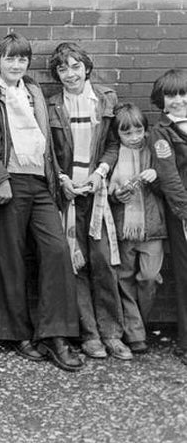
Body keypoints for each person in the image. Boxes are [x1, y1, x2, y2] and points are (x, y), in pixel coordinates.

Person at [0, 32, 84, 372]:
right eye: (9, 58)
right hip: (8, 184)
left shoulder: (33, 93)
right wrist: (0, 179)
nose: (16, 64)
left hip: (40, 183)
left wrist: (57, 176)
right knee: (11, 257)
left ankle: (56, 335)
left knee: (57, 250)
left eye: (21, 59)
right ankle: (18, 334)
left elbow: (45, 141)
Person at [46, 42, 128, 360]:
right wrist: (62, 180)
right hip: (68, 195)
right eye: (63, 68)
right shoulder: (52, 104)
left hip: (98, 194)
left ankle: (112, 334)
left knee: (103, 261)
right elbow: (49, 151)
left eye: (75, 66)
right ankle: (90, 335)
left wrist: (102, 172)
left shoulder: (106, 98)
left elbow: (112, 143)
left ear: (87, 68)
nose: (70, 74)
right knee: (74, 264)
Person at [108, 104, 164, 355]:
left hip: (152, 227)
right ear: (118, 134)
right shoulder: (114, 153)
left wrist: (156, 175)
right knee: (125, 278)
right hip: (124, 227)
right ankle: (135, 333)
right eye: (126, 133)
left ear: (145, 129)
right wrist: (116, 195)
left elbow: (170, 181)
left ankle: (140, 320)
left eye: (138, 130)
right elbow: (107, 192)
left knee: (149, 276)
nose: (134, 137)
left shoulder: (154, 148)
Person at [147, 69, 187, 367]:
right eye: (171, 95)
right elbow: (170, 177)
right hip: (182, 212)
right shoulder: (162, 132)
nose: (178, 100)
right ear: (162, 100)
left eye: (183, 94)